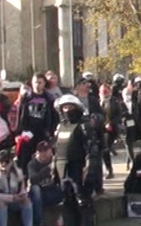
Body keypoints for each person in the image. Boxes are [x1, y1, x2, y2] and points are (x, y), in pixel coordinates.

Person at [53, 94, 102, 226]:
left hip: (79, 169)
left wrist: (90, 170)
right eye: (64, 108)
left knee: (83, 201)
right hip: (62, 170)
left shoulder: (84, 126)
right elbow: (56, 150)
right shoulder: (60, 127)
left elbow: (92, 150)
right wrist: (54, 172)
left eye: (70, 107)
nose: (67, 110)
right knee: (67, 201)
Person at [17, 73, 57, 175]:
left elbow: (54, 115)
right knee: (25, 156)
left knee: (43, 156)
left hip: (43, 132)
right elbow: (20, 114)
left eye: (40, 82)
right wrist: (19, 131)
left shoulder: (49, 98)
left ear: (44, 83)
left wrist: (51, 131)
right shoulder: (27, 97)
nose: (37, 85)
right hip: (28, 131)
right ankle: (26, 177)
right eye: (35, 82)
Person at [0, 150, 33, 226]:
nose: (3, 164)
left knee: (26, 201)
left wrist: (22, 195)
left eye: (6, 161)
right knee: (1, 203)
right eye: (1, 161)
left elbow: (22, 188)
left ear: (11, 162)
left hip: (14, 201)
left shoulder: (18, 172)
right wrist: (11, 197)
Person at [28, 141, 63, 226]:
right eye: (41, 151)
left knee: (67, 186)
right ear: (37, 152)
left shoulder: (54, 161)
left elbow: (60, 178)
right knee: (35, 189)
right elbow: (32, 180)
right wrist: (44, 172)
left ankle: (62, 218)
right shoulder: (32, 164)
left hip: (52, 191)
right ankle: (38, 223)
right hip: (40, 195)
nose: (44, 154)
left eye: (46, 151)